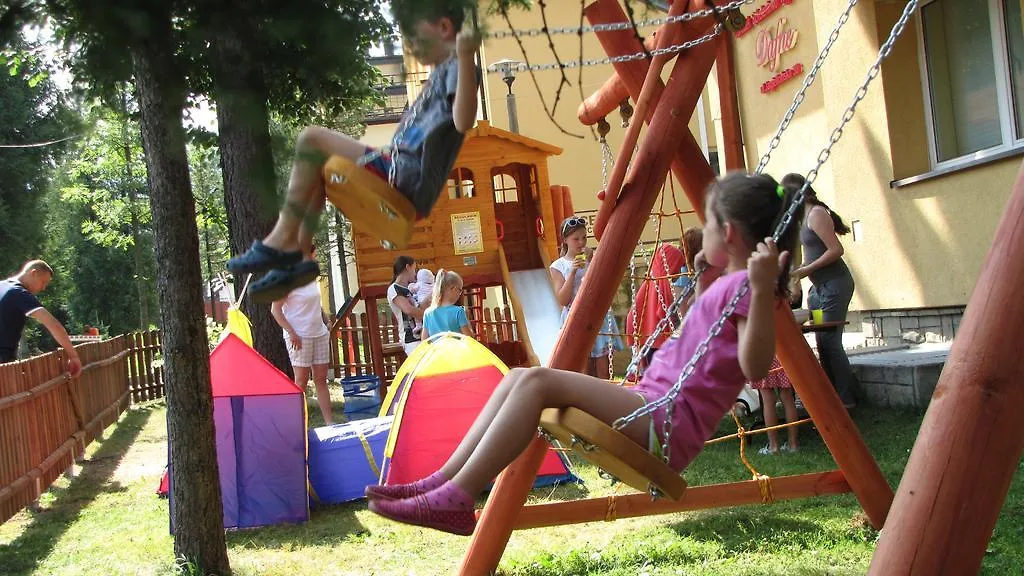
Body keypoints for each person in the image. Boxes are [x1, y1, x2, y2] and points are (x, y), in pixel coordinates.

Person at [365, 172, 802, 536]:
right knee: (518, 376)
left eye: (706, 223)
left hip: (665, 421)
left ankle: (453, 496)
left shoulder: (749, 287)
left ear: (726, 233)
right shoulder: (729, 283)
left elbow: (757, 365)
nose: (700, 231)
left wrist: (763, 290)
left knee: (535, 381)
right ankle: (440, 484)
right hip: (651, 403)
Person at [226, 1, 481, 302]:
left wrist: (465, 57)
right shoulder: (438, 75)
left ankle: (280, 240)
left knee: (312, 139)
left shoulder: (457, 68)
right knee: (317, 170)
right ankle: (299, 260)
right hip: (396, 168)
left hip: (404, 177)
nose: (410, 40)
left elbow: (463, 120)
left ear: (443, 28)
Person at [785, 173, 857, 409]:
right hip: (817, 291)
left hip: (835, 286)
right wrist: (797, 281)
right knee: (821, 339)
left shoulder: (816, 214)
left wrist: (806, 270)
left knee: (830, 340)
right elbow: (806, 256)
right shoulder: (802, 217)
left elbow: (836, 250)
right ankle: (832, 395)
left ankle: (847, 399)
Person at [549, 216, 624, 379]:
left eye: (584, 238)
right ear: (565, 240)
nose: (581, 243)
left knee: (602, 361)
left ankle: (605, 396)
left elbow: (605, 283)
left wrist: (593, 261)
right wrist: (572, 272)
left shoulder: (592, 257)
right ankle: (584, 398)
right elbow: (562, 300)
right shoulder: (558, 266)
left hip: (597, 313)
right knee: (581, 362)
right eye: (575, 239)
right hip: (575, 315)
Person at [270, 245, 333, 424]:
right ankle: (296, 424)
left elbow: (315, 302)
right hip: (299, 336)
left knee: (321, 379)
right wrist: (291, 332)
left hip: (318, 333)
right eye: (312, 256)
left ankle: (329, 423)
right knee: (301, 381)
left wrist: (325, 318)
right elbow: (275, 310)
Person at [0, 260, 82, 377]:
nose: (43, 288)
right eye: (43, 282)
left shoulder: (2, 286)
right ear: (33, 273)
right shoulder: (18, 293)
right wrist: (73, 356)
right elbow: (53, 325)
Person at [752, 358, 799, 454]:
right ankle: (793, 444)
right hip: (782, 355)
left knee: (768, 400)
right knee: (788, 398)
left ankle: (774, 446)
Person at [388, 256, 425, 356]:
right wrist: (429, 315)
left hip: (423, 335)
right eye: (414, 269)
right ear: (408, 267)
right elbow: (408, 309)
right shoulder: (394, 289)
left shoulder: (411, 288)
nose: (415, 273)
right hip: (411, 338)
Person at [421, 269, 473, 338]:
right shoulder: (459, 311)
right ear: (453, 289)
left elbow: (424, 339)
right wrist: (468, 322)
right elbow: (469, 338)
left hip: (436, 348)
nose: (460, 294)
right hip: (455, 348)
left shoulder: (427, 313)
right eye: (460, 290)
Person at [408, 267, 435, 338]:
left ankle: (418, 325)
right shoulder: (433, 285)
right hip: (432, 303)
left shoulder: (419, 284)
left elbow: (412, 290)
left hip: (421, 302)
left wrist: (410, 285)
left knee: (416, 312)